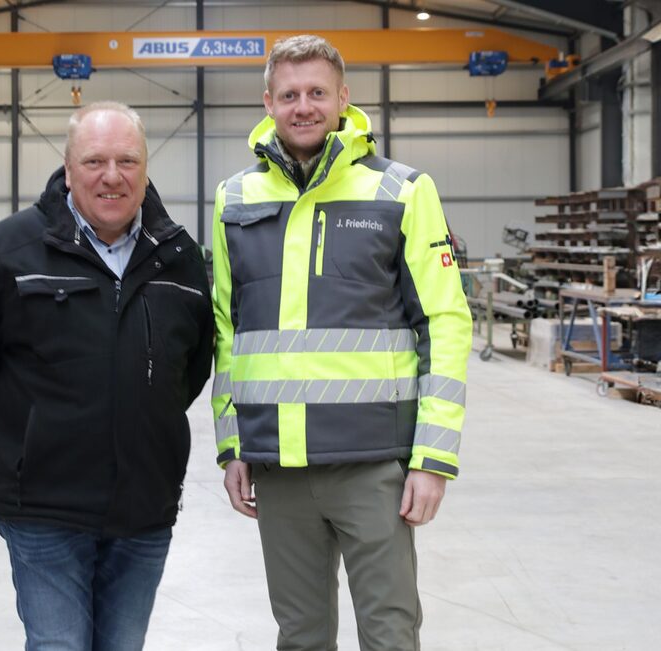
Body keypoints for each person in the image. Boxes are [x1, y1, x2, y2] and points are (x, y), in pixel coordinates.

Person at [210, 35, 473, 650]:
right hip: (278, 466)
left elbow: (445, 323)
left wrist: (432, 460)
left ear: (344, 99)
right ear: (268, 102)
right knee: (299, 635)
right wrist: (233, 447)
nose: (304, 106)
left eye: (317, 93)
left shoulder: (401, 192)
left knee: (389, 631)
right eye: (290, 94)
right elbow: (228, 333)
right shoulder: (235, 200)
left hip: (374, 462)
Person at [0, 101, 214, 651]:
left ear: (146, 168)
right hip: (44, 508)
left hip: (145, 506)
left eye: (128, 161)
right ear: (67, 168)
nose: (113, 176)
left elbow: (192, 366)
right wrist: (20, 442)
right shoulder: (5, 250)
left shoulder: (179, 257)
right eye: (95, 161)